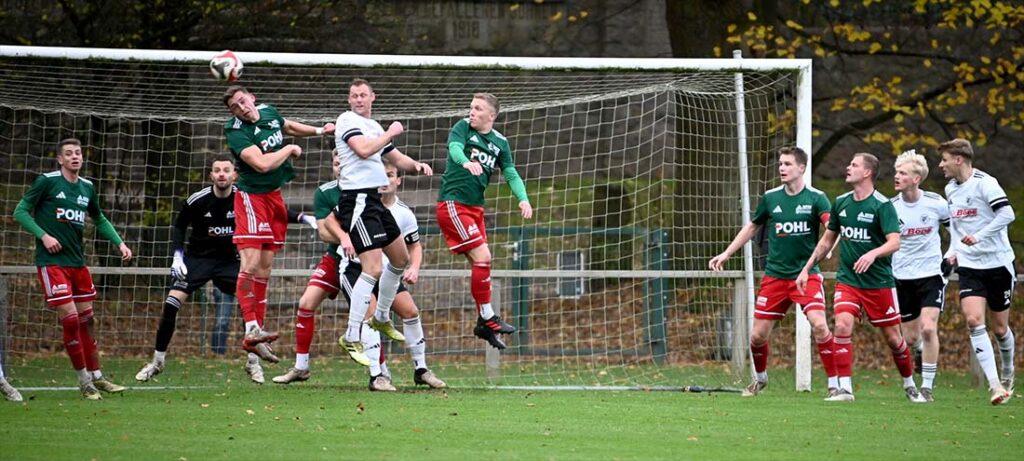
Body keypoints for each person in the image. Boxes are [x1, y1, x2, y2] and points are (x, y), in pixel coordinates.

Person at [135, 154, 318, 384]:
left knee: (249, 304)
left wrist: (303, 218)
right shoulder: (197, 200)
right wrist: (177, 257)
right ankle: (157, 361)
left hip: (229, 262)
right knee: (171, 304)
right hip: (197, 260)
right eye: (217, 170)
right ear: (211, 175)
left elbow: (276, 211)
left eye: (226, 170)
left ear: (234, 174)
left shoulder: (245, 198)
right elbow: (180, 225)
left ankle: (253, 363)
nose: (222, 174)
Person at [708, 147, 837, 397]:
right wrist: (726, 253)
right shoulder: (771, 198)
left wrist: (828, 245)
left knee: (820, 325)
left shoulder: (817, 198)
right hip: (775, 276)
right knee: (757, 336)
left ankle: (835, 384)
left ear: (801, 168)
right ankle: (760, 379)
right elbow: (753, 227)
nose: (782, 168)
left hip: (805, 276)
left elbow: (832, 227)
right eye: (780, 164)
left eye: (788, 164)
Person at [13, 137, 133, 400]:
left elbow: (99, 218)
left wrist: (119, 243)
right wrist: (44, 236)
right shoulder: (47, 181)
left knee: (88, 320)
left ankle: (98, 377)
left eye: (78, 153)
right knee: (70, 319)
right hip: (52, 264)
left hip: (78, 263)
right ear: (60, 159)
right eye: (69, 154)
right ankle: (83, 381)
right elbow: (20, 211)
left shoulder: (87, 187)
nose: (74, 157)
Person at [221, 85, 334, 362]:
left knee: (265, 268)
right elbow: (260, 164)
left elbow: (288, 125)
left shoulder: (269, 112)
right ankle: (250, 328)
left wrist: (319, 131)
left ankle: (256, 335)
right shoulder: (235, 131)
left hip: (274, 198)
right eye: (235, 106)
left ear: (253, 98)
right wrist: (289, 149)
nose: (241, 108)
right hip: (251, 198)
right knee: (249, 265)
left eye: (243, 101)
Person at [797, 153, 921, 403]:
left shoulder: (881, 205)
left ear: (867, 173)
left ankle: (909, 384)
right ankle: (845, 388)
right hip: (849, 280)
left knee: (894, 339)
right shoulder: (841, 203)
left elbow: (895, 242)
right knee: (842, 325)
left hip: (879, 283)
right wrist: (807, 268)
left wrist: (873, 254)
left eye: (853, 165)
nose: (847, 167)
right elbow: (826, 240)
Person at [316, 162, 447, 391]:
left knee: (411, 311)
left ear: (398, 180)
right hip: (356, 269)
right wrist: (344, 239)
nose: (385, 181)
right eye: (381, 176)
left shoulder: (403, 213)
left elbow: (414, 246)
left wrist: (414, 267)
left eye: (390, 175)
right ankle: (378, 375)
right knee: (369, 315)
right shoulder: (359, 204)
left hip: (388, 274)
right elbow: (328, 224)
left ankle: (421, 369)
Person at [332, 78, 432, 364]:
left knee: (400, 259)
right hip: (358, 200)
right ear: (349, 100)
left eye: (363, 95)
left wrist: (416, 165)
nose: (359, 99)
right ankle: (351, 336)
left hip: (374, 202)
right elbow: (363, 150)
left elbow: (396, 158)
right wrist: (391, 132)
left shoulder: (375, 128)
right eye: (354, 95)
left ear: (373, 97)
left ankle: (382, 316)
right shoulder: (346, 120)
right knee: (373, 269)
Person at [435, 93, 533, 350]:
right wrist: (466, 162)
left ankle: (483, 323)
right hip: (453, 204)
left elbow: (510, 172)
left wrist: (523, 199)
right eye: (471, 107)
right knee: (484, 257)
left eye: (478, 109)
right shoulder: (462, 128)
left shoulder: (501, 142)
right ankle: (488, 317)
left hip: (475, 209)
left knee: (481, 264)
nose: (472, 112)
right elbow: (455, 149)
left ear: (492, 115)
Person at [938, 138, 1016, 405]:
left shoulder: (986, 183)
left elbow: (1007, 215)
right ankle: (995, 386)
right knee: (973, 320)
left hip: (998, 263)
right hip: (971, 265)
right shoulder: (950, 190)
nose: (941, 165)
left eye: (944, 159)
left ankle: (1007, 372)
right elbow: (957, 232)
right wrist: (950, 255)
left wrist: (980, 236)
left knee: (1000, 328)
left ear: (958, 159)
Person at [891, 150, 951, 403]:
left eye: (902, 173)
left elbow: (957, 231)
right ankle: (917, 351)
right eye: (896, 172)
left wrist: (952, 256)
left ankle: (926, 387)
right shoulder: (891, 207)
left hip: (931, 275)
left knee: (928, 328)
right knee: (911, 337)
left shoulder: (936, 203)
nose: (897, 176)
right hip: (901, 277)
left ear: (916, 178)